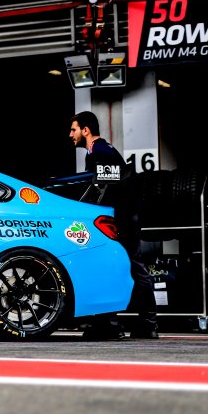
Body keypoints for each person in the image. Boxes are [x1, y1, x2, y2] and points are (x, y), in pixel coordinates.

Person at [69, 110, 158, 340]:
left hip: (120, 219)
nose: (70, 135)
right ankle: (138, 324)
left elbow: (104, 189)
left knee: (127, 266)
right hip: (122, 217)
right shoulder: (103, 150)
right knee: (130, 266)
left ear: (85, 130)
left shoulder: (100, 152)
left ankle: (115, 324)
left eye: (73, 129)